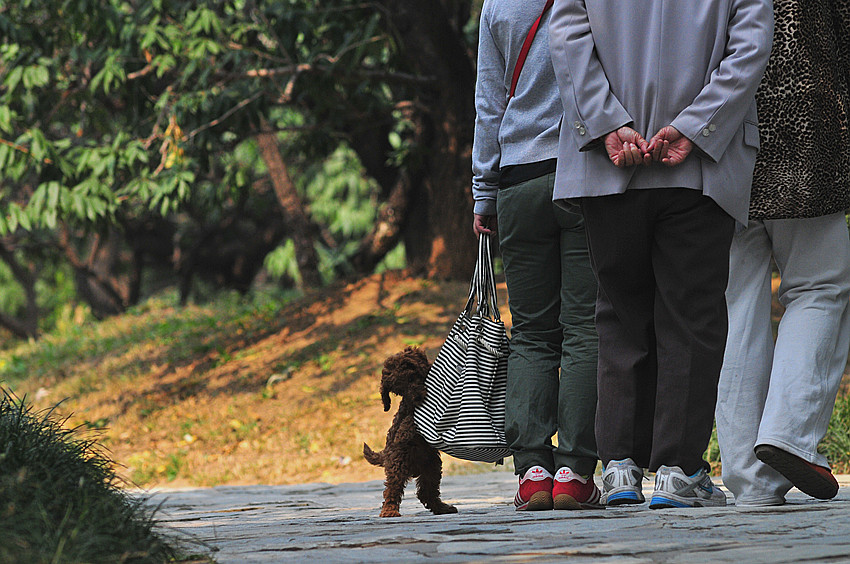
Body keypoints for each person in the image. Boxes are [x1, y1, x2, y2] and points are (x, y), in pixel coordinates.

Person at [548, 0, 773, 508]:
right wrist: (696, 126)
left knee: (619, 312)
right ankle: (678, 469)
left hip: (610, 168)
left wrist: (608, 124)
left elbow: (566, 37)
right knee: (691, 318)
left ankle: (621, 468)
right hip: (698, 169)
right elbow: (751, 47)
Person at [715, 0, 850, 507]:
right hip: (805, 137)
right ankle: (790, 434)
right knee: (821, 285)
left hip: (719, 136)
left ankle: (750, 477)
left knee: (736, 302)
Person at [471, 0, 602, 511]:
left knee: (530, 331)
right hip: (584, 174)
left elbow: (489, 100)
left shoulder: (497, 5)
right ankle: (573, 472)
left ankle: (531, 472)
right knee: (585, 328)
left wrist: (484, 189)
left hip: (518, 179)